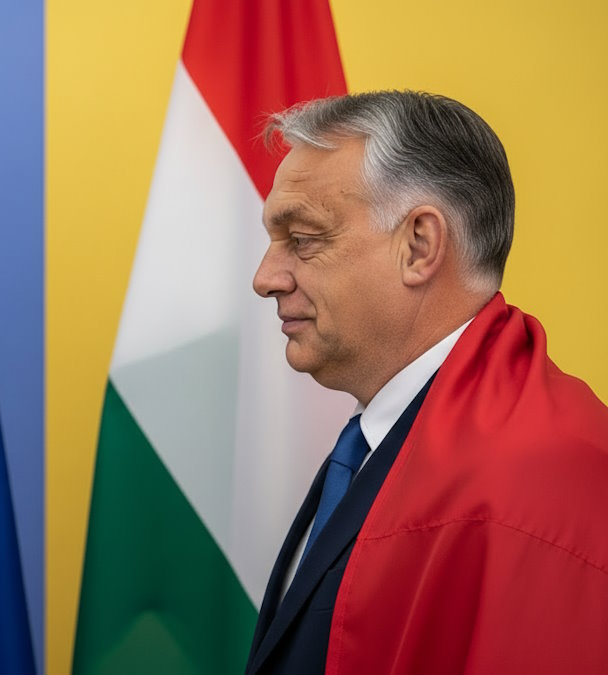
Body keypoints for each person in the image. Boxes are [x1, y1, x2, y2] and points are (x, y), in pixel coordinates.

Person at [245, 91, 608, 674]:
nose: (265, 278)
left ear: (419, 245)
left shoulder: (539, 480)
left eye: (303, 240)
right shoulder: (388, 435)